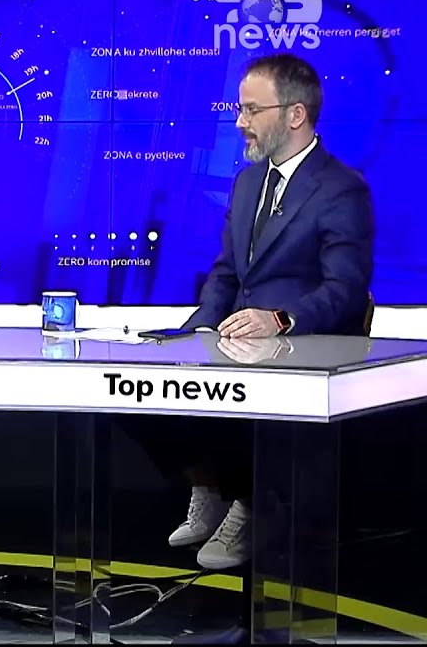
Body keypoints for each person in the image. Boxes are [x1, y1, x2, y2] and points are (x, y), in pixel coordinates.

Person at [123, 53, 374, 571]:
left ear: (295, 114)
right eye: (240, 109)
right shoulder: (246, 183)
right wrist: (190, 336)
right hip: (235, 342)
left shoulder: (341, 188)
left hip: (298, 349)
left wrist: (278, 319)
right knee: (139, 395)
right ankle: (211, 487)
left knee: (241, 405)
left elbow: (347, 289)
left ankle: (253, 504)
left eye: (252, 110)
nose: (240, 122)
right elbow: (226, 273)